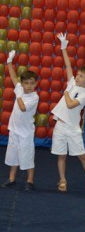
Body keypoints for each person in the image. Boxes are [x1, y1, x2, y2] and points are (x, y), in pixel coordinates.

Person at [51, 33, 85, 193]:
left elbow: (70, 105)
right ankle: (62, 180)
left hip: (73, 128)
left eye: (82, 76)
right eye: (78, 75)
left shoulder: (84, 94)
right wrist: (64, 47)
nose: (77, 77)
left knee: (82, 155)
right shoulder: (72, 83)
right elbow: (68, 65)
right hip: (60, 126)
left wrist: (66, 93)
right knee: (61, 155)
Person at [1, 50, 39, 191]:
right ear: (23, 83)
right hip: (14, 130)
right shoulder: (20, 89)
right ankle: (11, 178)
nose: (29, 86)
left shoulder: (34, 97)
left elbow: (22, 107)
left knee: (27, 157)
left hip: (26, 133)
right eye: (26, 83)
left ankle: (30, 180)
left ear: (36, 84)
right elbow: (13, 77)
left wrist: (18, 94)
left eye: (32, 83)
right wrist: (9, 62)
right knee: (13, 156)